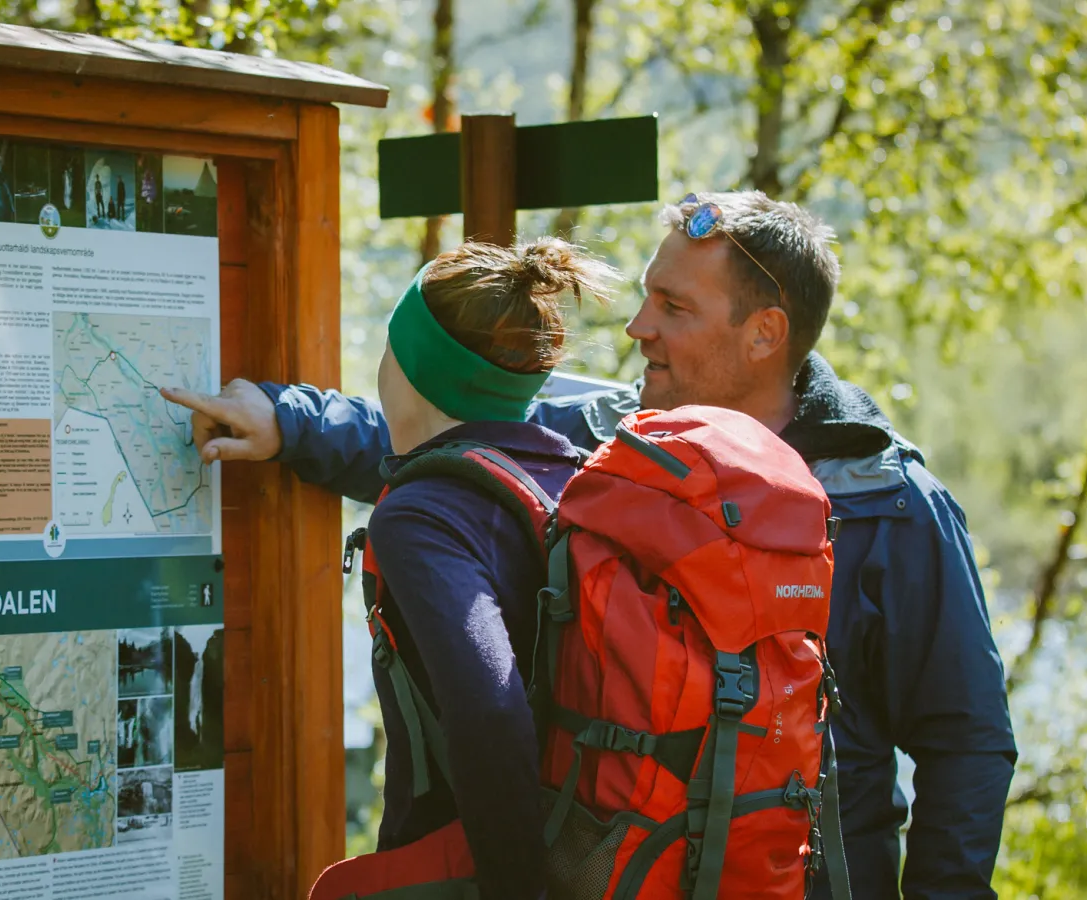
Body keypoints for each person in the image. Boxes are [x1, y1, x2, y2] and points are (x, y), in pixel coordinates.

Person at [162, 192, 1018, 900]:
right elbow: (461, 441)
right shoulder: (620, 442)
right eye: (648, 294)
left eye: (674, 308)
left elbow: (966, 741)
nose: (637, 326)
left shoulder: (890, 503)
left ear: (765, 334)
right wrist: (289, 422)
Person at [246, 237, 617, 897]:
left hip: (464, 870)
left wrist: (515, 888)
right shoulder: (574, 476)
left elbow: (490, 708)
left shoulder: (422, 515)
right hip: (589, 844)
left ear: (413, 370)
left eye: (390, 349)